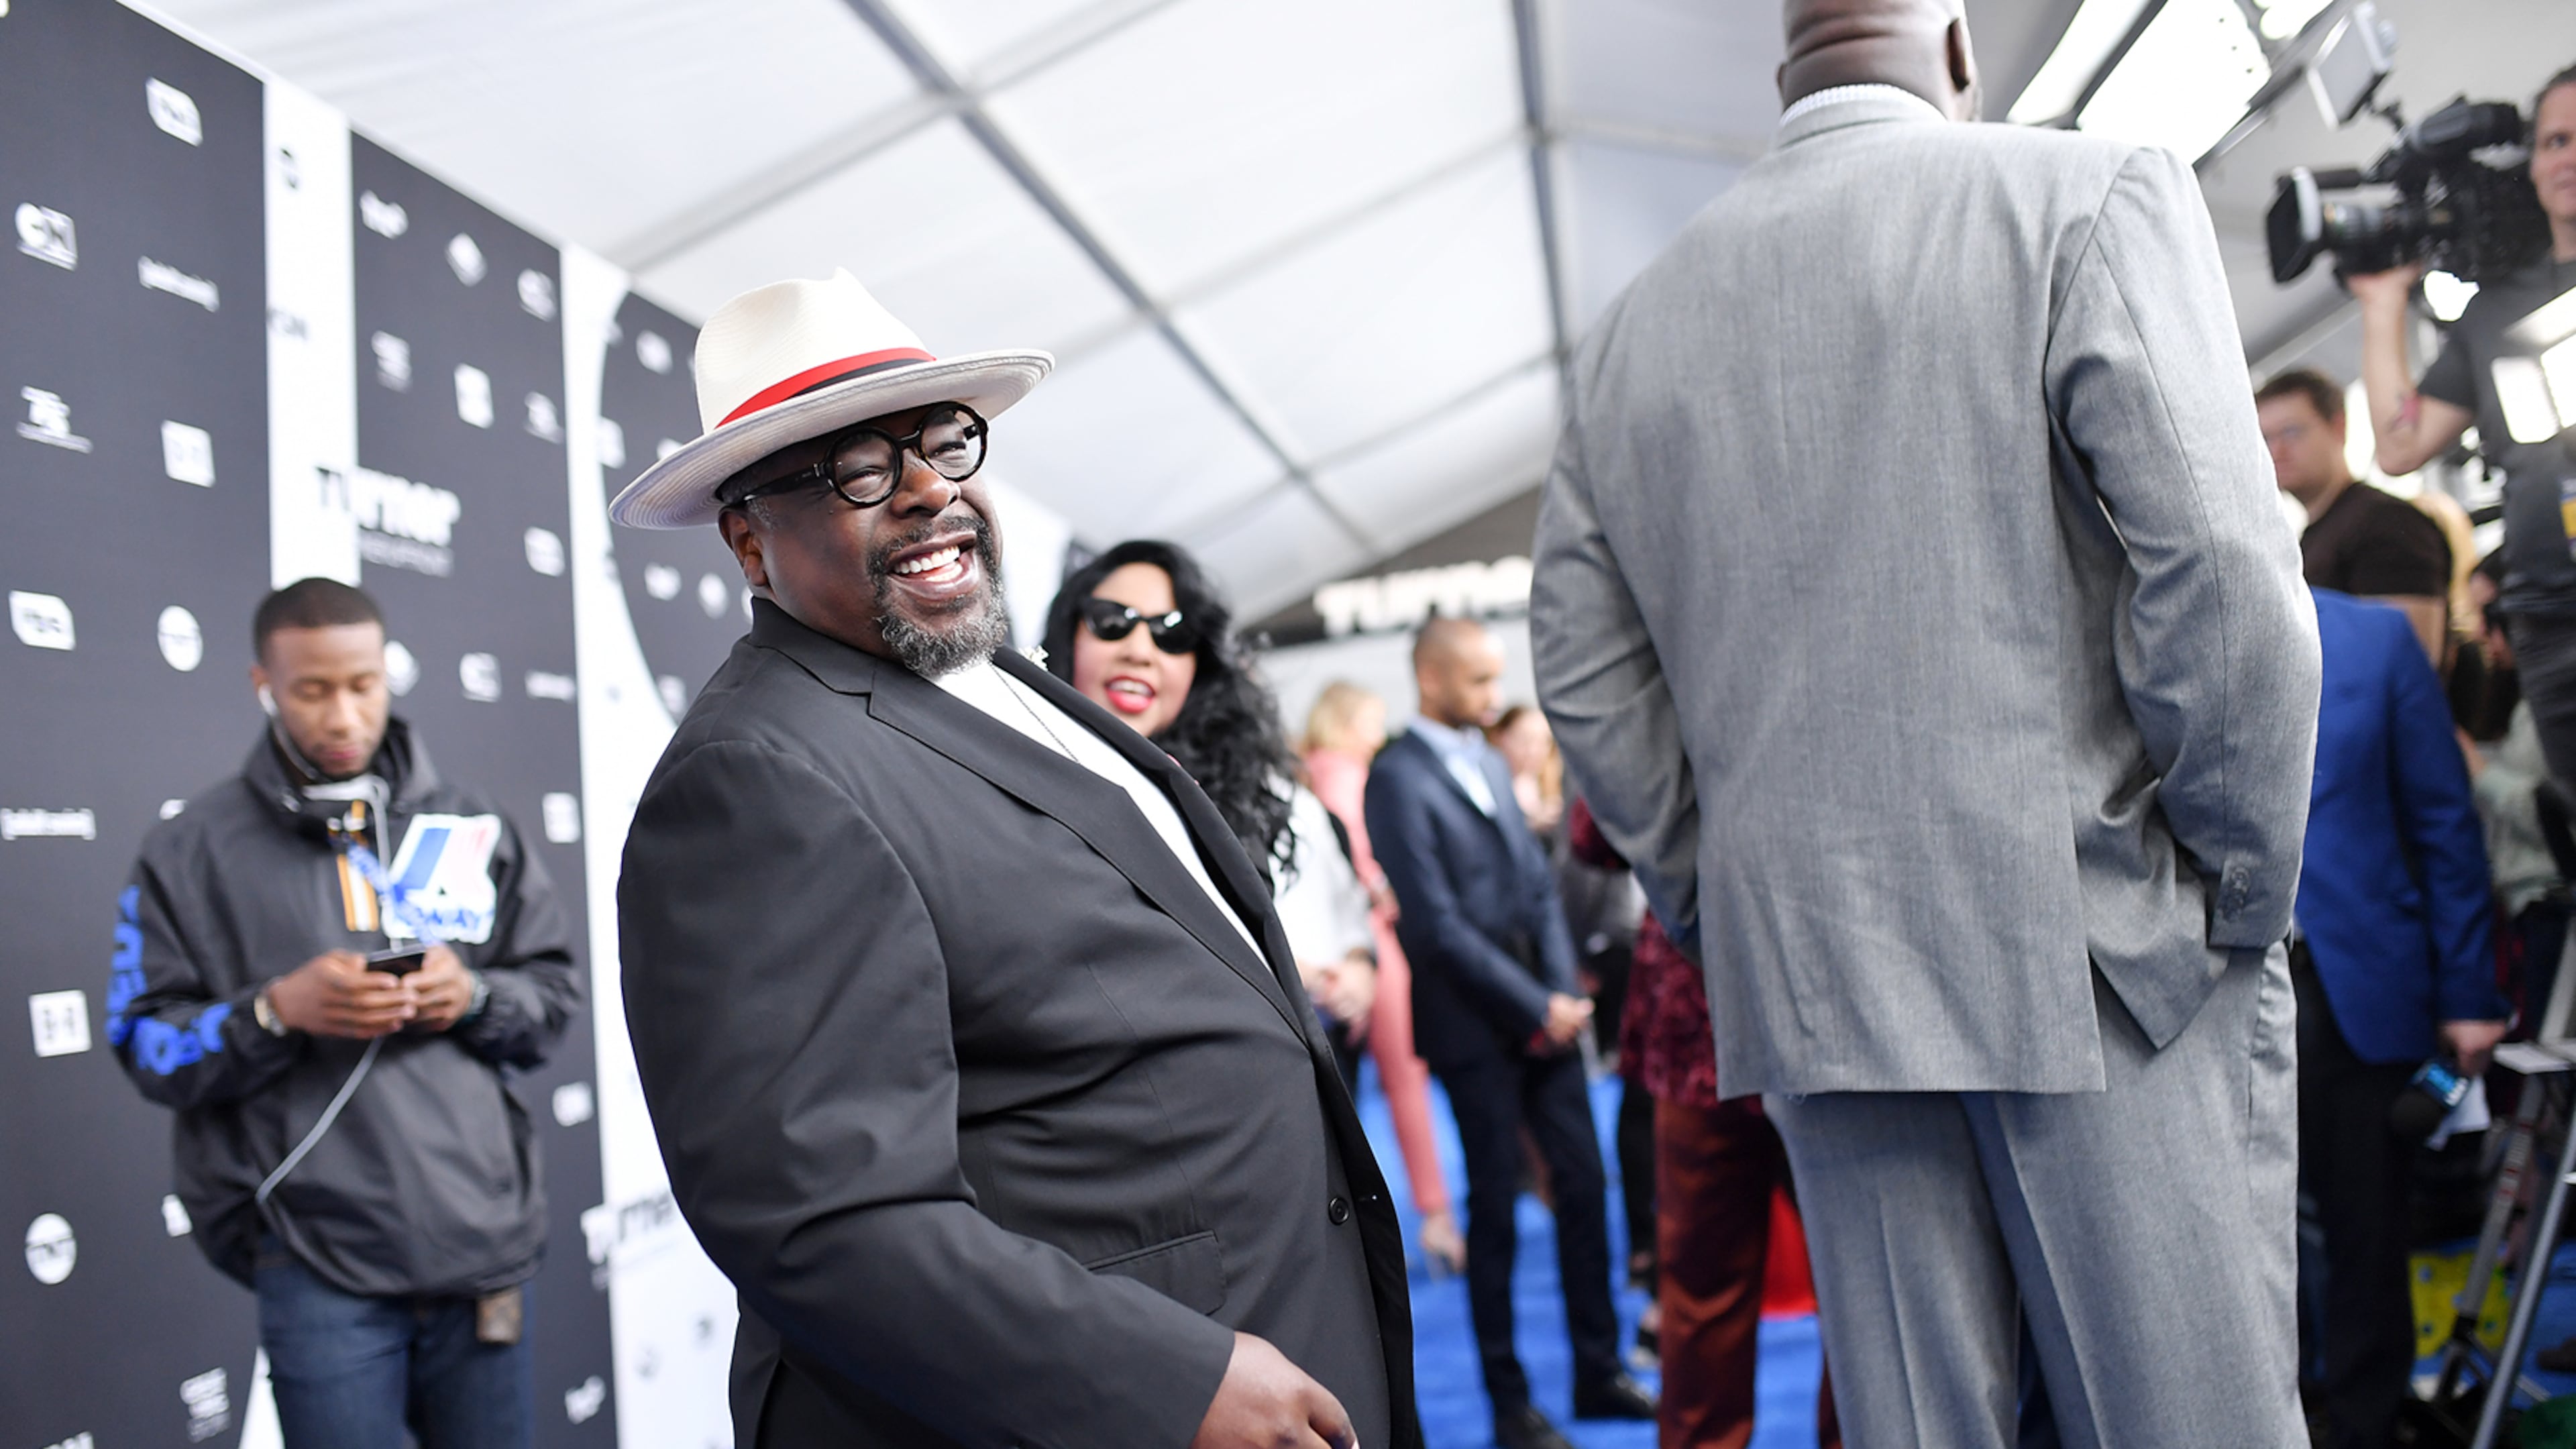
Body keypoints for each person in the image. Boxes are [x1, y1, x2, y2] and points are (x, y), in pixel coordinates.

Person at [1527, 0, 2322, 1442]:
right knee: (2187, 1420)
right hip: (2106, 950)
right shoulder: (2085, 194)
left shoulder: (1635, 329)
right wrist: (2236, 884)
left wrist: (1725, 895)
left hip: (1819, 984)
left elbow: (1581, 668)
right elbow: (2221, 567)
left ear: (1788, 63)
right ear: (1958, 47)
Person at [607, 272, 1415, 1449]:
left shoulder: (986, 677)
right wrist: (1168, 1379)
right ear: (747, 538)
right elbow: (823, 1220)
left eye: (941, 443)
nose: (929, 489)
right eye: (857, 470)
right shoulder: (758, 779)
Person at [107, 578, 582, 1449]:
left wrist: (470, 997)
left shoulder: (471, 821)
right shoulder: (189, 849)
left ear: (387, 675)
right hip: (314, 1256)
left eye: (361, 685)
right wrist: (275, 1012)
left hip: (478, 1238)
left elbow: (553, 1002)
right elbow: (143, 1044)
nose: (342, 715)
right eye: (312, 690)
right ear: (265, 685)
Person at [1366, 615, 1656, 1449]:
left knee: (1585, 1189)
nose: (1495, 697)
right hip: (1476, 1031)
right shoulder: (1397, 776)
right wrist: (1536, 1004)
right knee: (1495, 1208)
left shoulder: (1489, 758)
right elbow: (1435, 925)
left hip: (1547, 1024)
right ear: (1432, 677)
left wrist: (1563, 995)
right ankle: (1508, 1404)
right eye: (1480, 681)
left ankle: (1599, 1372)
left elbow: (1539, 888)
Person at [1038, 541, 1375, 1082]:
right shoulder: (1021, 789)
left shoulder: (1254, 791)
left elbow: (1338, 905)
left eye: (1172, 632)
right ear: (1068, 635)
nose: (1141, 649)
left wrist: (1354, 967)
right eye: (1112, 622)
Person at [2298, 589, 2508, 1449]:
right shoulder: (2166, 627)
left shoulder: (2376, 639)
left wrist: (2468, 993)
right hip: (2214, 990)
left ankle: (2359, 1428)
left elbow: (2443, 823)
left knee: (2366, 1231)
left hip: (2356, 985)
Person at [1567, 800, 1839, 1449]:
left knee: (1711, 1294)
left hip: (1716, 1004)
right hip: (1815, 1000)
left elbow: (1596, 828)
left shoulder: (1670, 691)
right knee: (1866, 1295)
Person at [2355, 63, 2576, 779]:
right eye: (2553, 141)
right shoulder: (2495, 313)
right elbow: (2399, 445)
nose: (2567, 157)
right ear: (2533, 163)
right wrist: (2384, 304)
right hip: (2549, 615)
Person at [1302, 682, 1470, 1275]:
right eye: (1372, 719)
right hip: (1368, 942)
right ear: (1346, 722)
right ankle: (1437, 1220)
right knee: (1405, 1080)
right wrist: (1390, 889)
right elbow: (1362, 864)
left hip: (1331, 951)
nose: (1380, 732)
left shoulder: (1309, 772)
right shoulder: (1344, 774)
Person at [2258, 366, 2451, 659]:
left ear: (2339, 428)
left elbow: (2410, 661)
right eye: (2265, 439)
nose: (2276, 451)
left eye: (2291, 431)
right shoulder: (2313, 537)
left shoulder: (2385, 523)